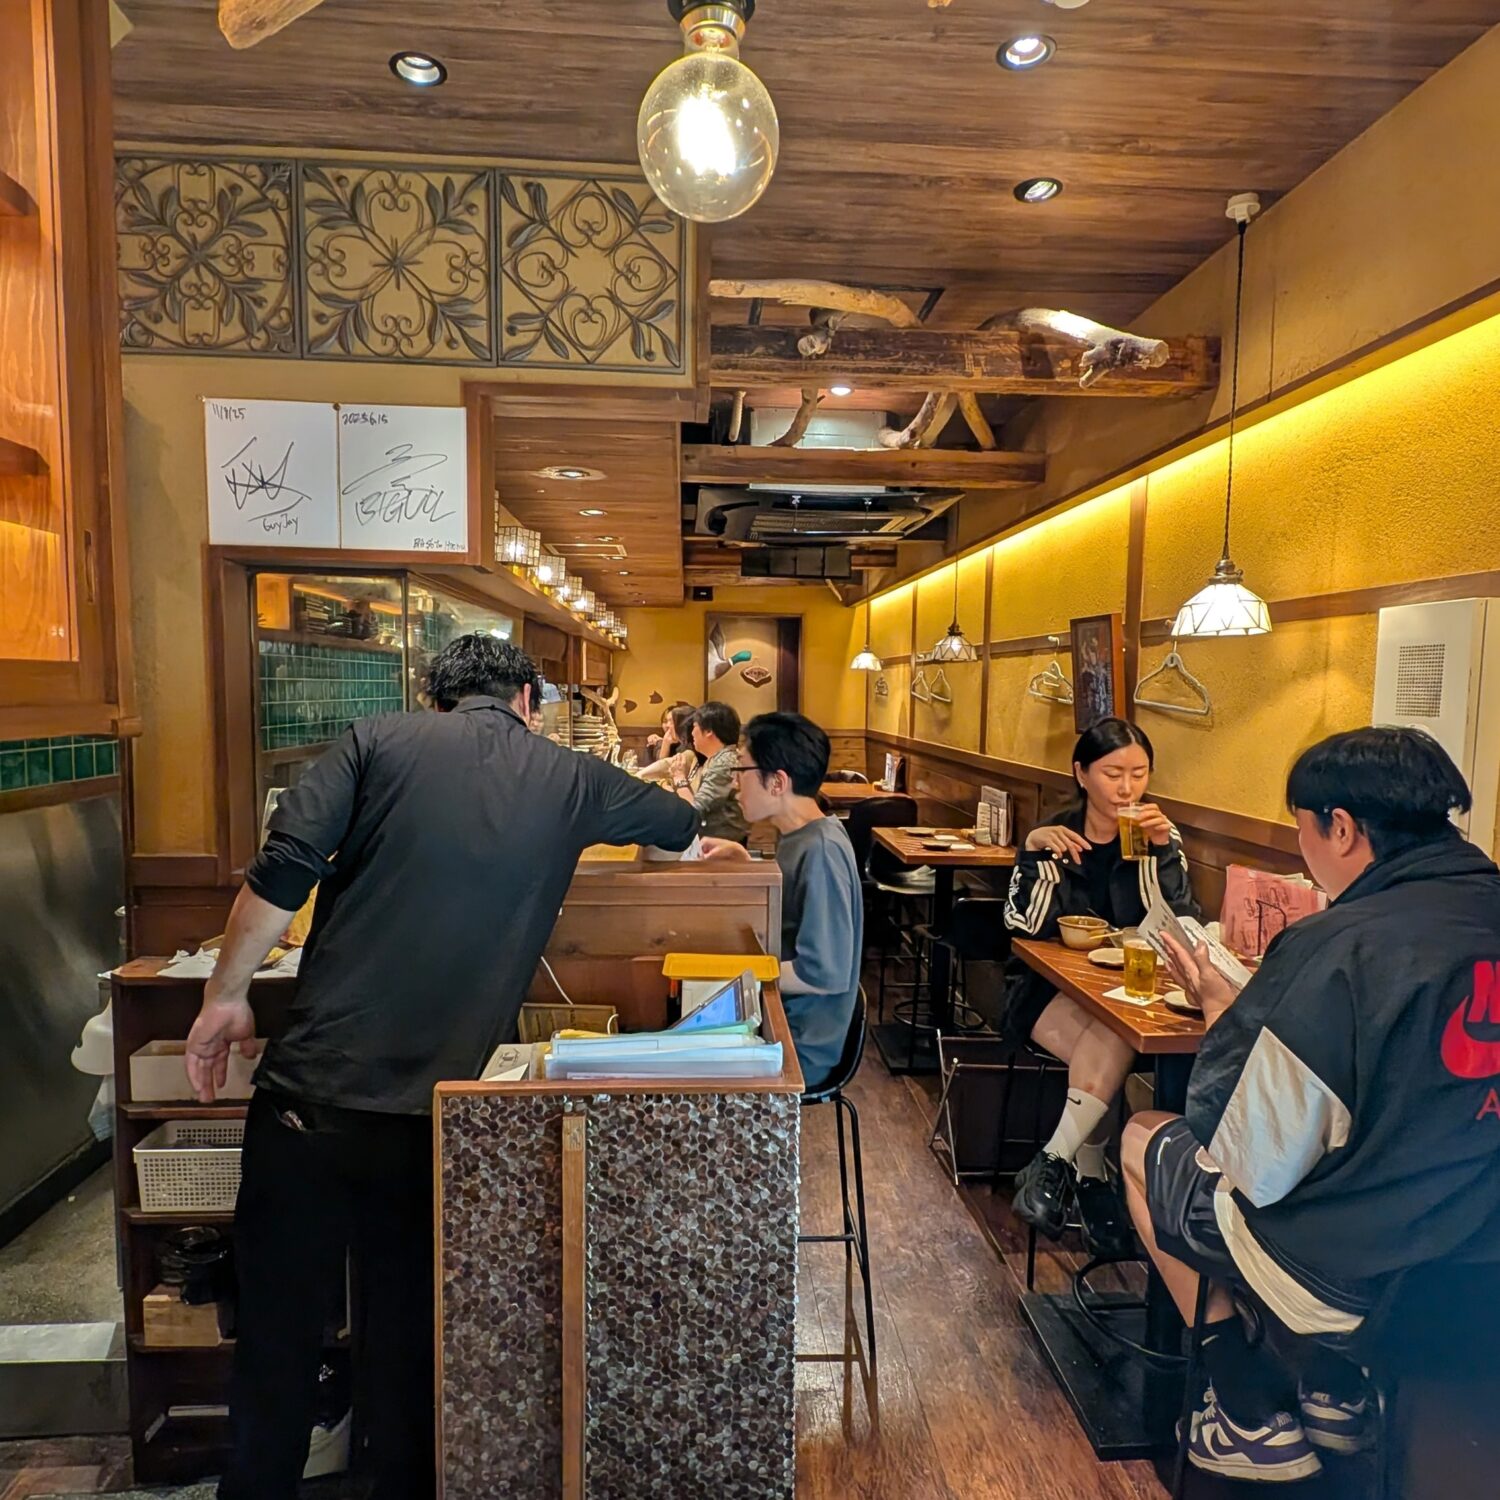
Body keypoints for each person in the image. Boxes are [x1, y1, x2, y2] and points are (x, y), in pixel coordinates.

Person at [184, 636, 697, 1500]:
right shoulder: (571, 778)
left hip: (313, 1099)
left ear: (436, 698)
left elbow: (283, 870)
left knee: (278, 1328)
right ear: (530, 699)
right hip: (445, 1118)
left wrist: (225, 998)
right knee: (413, 1333)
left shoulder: (373, 740)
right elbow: (681, 833)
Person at [1121, 726, 1500, 1483]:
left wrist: (1227, 1017)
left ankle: (1243, 1406)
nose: (1303, 849)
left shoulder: (1342, 943)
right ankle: (1332, 1384)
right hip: (1470, 1256)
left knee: (1145, 1139)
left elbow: (1252, 1156)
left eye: (1302, 828)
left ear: (1343, 828)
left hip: (1359, 1266)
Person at [1002, 717, 1200, 1255]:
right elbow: (1022, 928)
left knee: (1114, 1031)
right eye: (1113, 773)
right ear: (1081, 774)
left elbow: (1179, 920)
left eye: (1139, 774)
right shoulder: (1055, 834)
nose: (1127, 787)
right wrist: (1036, 853)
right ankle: (1089, 1176)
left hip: (1125, 988)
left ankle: (1056, 1165)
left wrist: (1160, 852)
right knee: (1114, 1037)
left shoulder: (1155, 837)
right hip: (1043, 990)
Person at [701, 713, 863, 1091]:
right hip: (782, 1019)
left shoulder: (822, 850)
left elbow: (822, 973)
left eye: (741, 769)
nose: (733, 783)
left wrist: (732, 973)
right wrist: (749, 863)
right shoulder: (802, 836)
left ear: (777, 782)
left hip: (800, 1042)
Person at [673, 699, 750, 844]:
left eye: (694, 727)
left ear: (708, 731)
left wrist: (679, 779)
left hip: (719, 848)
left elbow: (693, 813)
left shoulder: (724, 763)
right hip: (712, 841)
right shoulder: (717, 758)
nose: (692, 733)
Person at [638, 702, 699, 784]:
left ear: (682, 725)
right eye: (665, 721)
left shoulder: (690, 750)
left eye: (671, 721)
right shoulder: (681, 745)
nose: (668, 725)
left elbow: (665, 767)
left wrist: (636, 778)